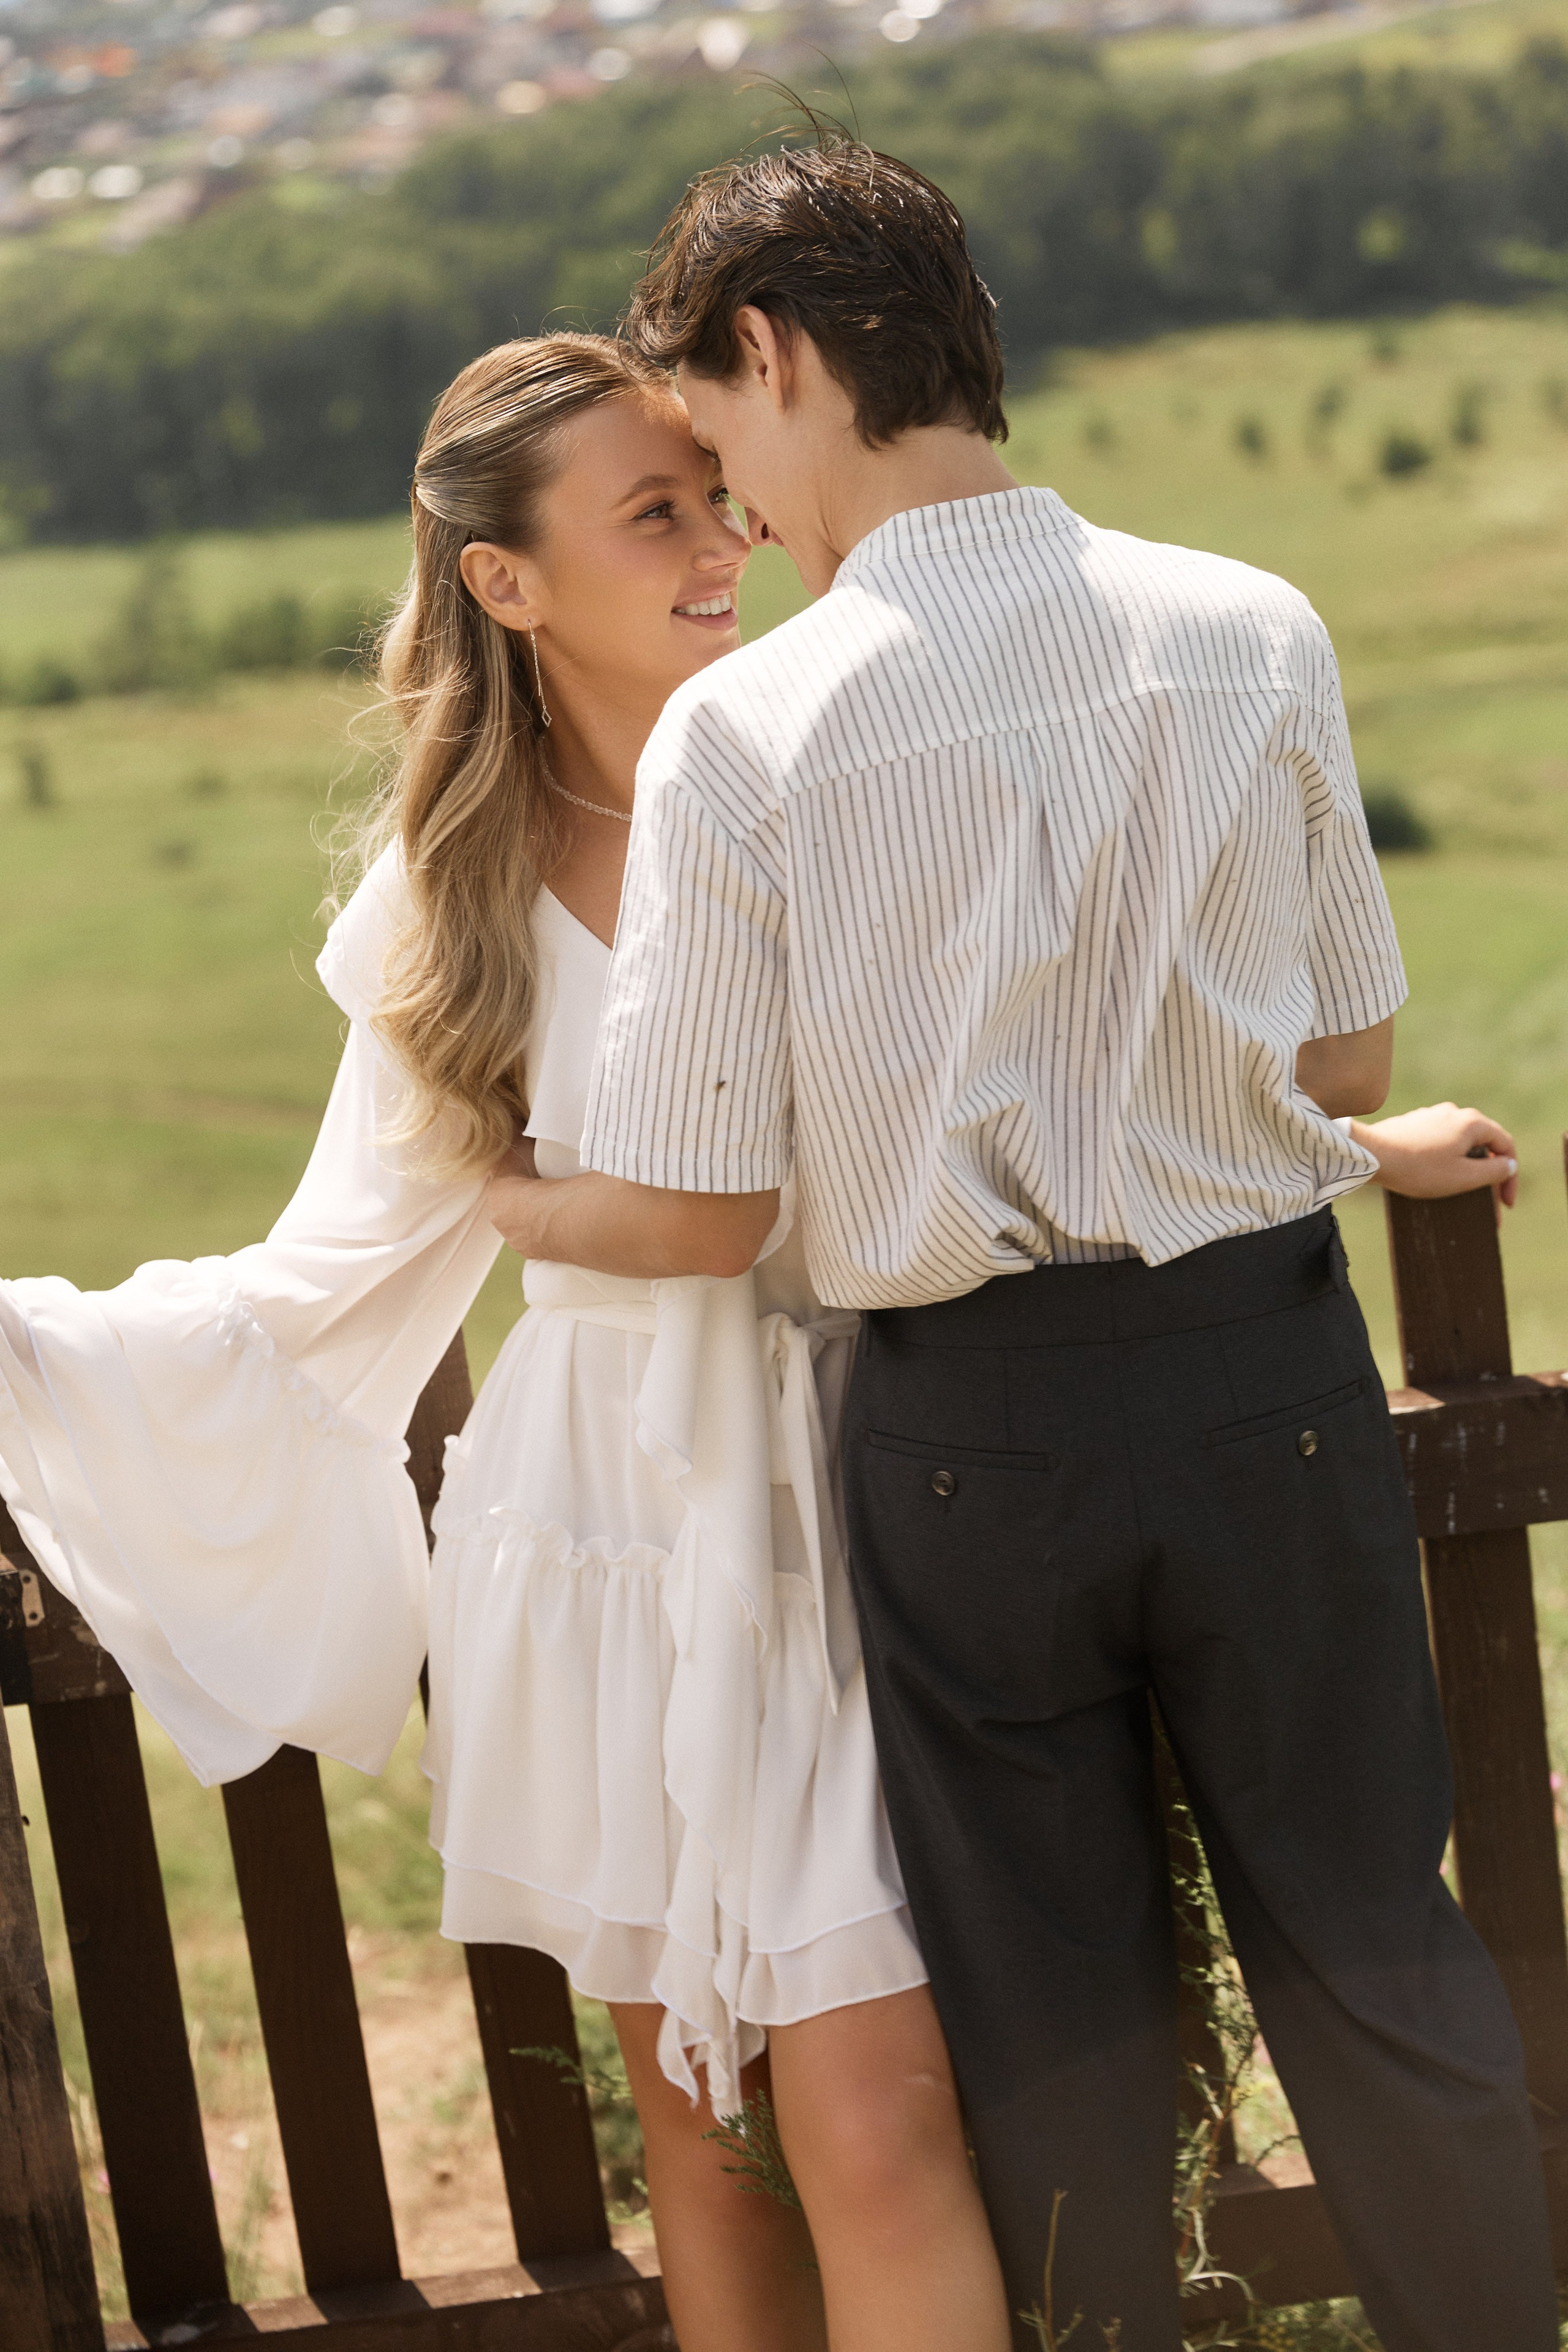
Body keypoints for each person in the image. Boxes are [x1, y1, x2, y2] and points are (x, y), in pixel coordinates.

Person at [483, 144, 1557, 2350]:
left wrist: (501, 1192)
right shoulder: (1251, 624)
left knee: (1062, 2057)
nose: (732, 498)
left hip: (973, 1447)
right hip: (1267, 1380)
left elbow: (704, 1205)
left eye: (719, 426)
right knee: (1382, 1964)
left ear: (775, 350)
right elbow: (1341, 1054)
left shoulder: (747, 736)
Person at [0, 333, 1012, 2352]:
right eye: (656, 513)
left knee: (886, 2126)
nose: (723, 540)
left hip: (882, 1488)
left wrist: (1339, 1139)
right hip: (610, 1527)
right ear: (507, 580)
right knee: (709, 2141)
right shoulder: (448, 896)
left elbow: (1041, 1101)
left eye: (716, 495)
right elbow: (325, 1276)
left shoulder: (843, 769)